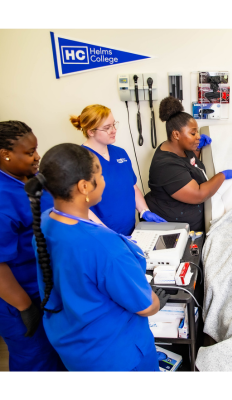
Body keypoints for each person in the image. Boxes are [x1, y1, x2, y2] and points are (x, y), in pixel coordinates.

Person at [24, 143, 170, 371]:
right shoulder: (105, 247)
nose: (104, 181)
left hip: (75, 350)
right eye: (100, 174)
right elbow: (144, 306)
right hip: (118, 356)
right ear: (84, 186)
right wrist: (157, 302)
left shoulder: (46, 221)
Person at [0, 121, 64, 371]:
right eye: (29, 153)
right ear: (5, 155)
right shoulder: (4, 198)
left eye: (36, 149)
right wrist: (25, 307)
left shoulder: (30, 179)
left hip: (46, 289)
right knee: (35, 361)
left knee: (56, 354)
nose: (37, 157)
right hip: (20, 297)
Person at [146, 96, 232, 231]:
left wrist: (197, 150)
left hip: (194, 219)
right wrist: (222, 175)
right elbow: (198, 195)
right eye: (193, 133)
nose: (198, 136)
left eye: (197, 132)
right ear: (176, 135)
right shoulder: (166, 166)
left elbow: (189, 167)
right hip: (175, 227)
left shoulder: (181, 149)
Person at [70, 104, 166, 236]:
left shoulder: (120, 153)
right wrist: (108, 235)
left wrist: (144, 211)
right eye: (107, 128)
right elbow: (79, 205)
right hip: (101, 235)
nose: (114, 130)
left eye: (114, 125)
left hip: (130, 230)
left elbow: (132, 187)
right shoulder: (79, 160)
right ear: (91, 131)